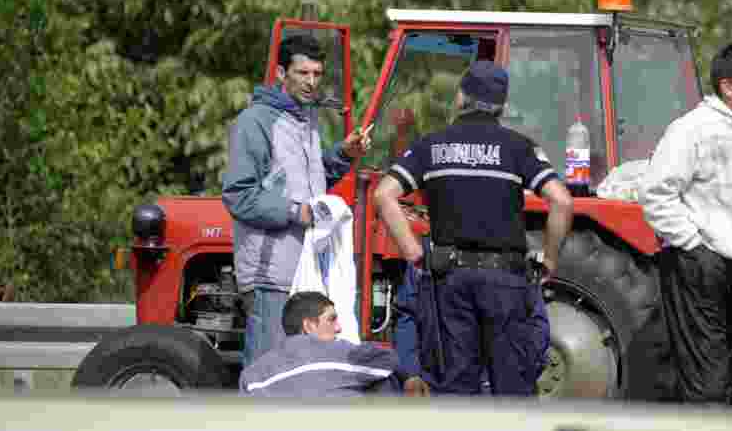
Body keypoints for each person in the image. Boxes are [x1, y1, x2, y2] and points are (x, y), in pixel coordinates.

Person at [374, 60, 573, 396]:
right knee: (513, 387)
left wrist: (413, 252)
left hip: (450, 280)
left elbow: (383, 195)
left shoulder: (431, 145)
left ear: (460, 98)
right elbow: (562, 201)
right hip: (506, 282)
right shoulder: (518, 147)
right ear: (502, 105)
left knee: (456, 387)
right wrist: (550, 258)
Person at [638, 42, 732, 405]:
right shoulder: (692, 130)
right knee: (708, 382)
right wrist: (694, 247)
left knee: (730, 379)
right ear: (728, 87)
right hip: (696, 264)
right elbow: (655, 192)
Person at [222, 34, 371, 367]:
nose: (311, 82)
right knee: (267, 370)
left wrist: (344, 155)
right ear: (280, 73)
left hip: (304, 269)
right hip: (270, 274)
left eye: (317, 74)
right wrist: (295, 211)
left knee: (299, 372)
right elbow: (238, 195)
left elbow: (309, 184)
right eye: (303, 73)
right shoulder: (255, 122)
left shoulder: (306, 120)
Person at [392, 256, 550, 395]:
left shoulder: (512, 259)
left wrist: (523, 373)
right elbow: (407, 316)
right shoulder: (426, 258)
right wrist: (411, 374)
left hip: (501, 391)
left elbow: (536, 324)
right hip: (443, 389)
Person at [239, 291, 426, 397]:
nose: (338, 328)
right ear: (309, 326)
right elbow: (389, 360)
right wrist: (410, 377)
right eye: (332, 319)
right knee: (386, 380)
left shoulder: (252, 374)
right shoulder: (333, 351)